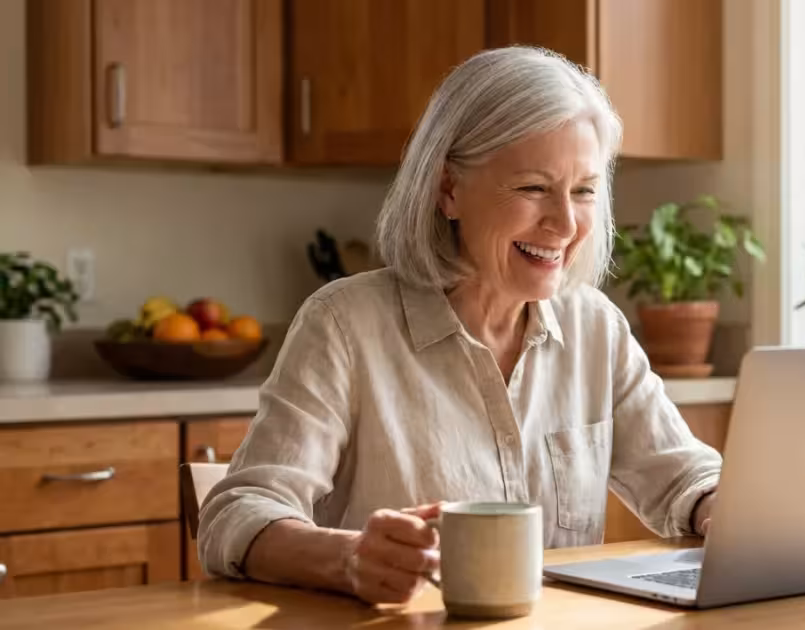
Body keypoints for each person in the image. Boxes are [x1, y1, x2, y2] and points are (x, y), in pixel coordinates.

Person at [197, 46, 721, 605]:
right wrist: (346, 558)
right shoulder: (344, 325)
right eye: (533, 188)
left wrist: (719, 508)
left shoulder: (596, 328)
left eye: (584, 190)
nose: (565, 223)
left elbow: (684, 478)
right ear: (448, 190)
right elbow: (237, 513)